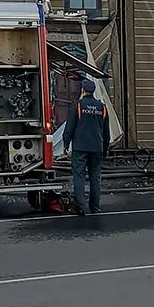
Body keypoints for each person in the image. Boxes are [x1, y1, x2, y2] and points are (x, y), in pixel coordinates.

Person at [63, 78, 110, 216]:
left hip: (80, 147)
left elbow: (69, 127)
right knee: (95, 177)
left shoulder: (77, 106)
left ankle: (80, 207)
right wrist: (105, 149)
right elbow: (106, 132)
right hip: (97, 147)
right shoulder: (102, 107)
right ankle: (95, 206)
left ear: (82, 90)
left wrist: (66, 144)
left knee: (79, 176)